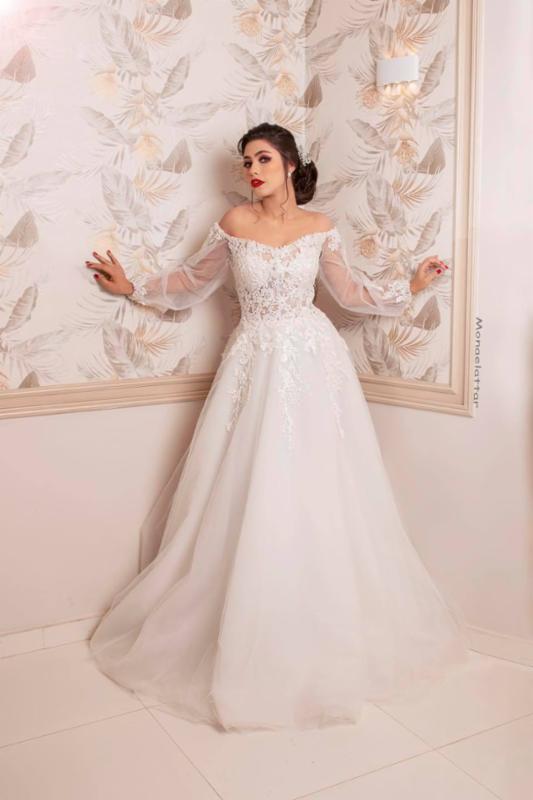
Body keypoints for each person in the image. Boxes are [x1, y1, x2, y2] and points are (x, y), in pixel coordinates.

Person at [85, 122, 469, 733]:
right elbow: (192, 280)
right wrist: (134, 288)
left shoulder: (320, 228)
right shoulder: (235, 224)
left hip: (315, 363)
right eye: (246, 162)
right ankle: (249, 626)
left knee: (321, 486)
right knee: (249, 484)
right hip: (254, 361)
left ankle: (326, 626)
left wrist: (411, 285)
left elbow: (349, 292)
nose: (252, 171)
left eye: (263, 159)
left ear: (291, 164)